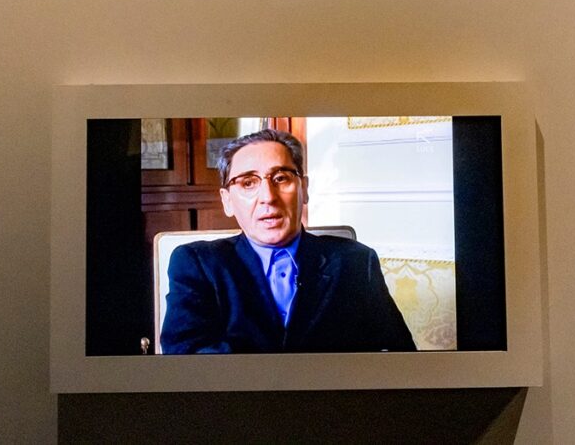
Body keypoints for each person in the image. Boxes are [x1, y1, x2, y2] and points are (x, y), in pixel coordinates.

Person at [160, 129, 416, 354]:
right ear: (227, 201)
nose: (268, 197)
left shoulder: (356, 261)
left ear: (304, 189)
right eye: (248, 183)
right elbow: (187, 360)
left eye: (281, 178)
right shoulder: (196, 263)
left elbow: (397, 355)